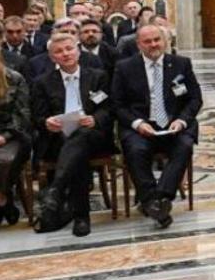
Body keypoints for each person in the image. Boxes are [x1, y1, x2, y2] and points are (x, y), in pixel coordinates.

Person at [113, 24, 202, 230]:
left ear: (164, 41)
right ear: (138, 44)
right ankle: (156, 202)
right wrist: (138, 123)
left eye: (157, 40)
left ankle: (158, 199)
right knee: (136, 150)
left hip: (174, 125)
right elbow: (117, 105)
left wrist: (182, 120)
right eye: (147, 41)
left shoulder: (181, 64)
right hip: (141, 127)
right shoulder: (125, 67)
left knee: (184, 146)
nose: (153, 45)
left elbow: (195, 99)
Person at [31, 32, 115, 236]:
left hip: (94, 136)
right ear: (52, 57)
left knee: (81, 138)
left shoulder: (98, 76)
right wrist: (46, 122)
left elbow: (108, 108)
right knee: (78, 154)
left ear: (78, 51)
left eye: (69, 49)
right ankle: (81, 217)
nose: (65, 54)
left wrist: (95, 119)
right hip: (58, 139)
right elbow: (37, 116)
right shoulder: (43, 82)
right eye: (59, 51)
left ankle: (56, 190)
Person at [0, 51, 30, 226]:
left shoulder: (14, 78)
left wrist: (5, 136)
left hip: (13, 135)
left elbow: (22, 115)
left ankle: (2, 196)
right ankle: (4, 200)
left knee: (4, 161)